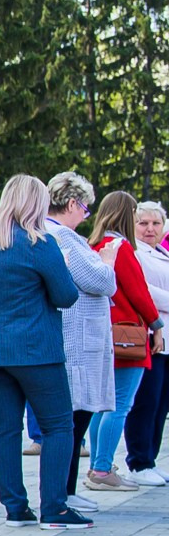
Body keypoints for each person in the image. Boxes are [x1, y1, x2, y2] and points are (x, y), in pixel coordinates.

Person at [0, 174, 87, 528]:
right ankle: (55, 509)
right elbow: (66, 296)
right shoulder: (40, 243)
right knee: (59, 425)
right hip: (36, 351)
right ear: (36, 203)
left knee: (5, 429)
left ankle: (15, 508)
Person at [82, 191, 164, 492]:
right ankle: (102, 469)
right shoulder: (121, 247)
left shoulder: (95, 244)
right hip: (128, 336)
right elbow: (138, 292)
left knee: (101, 405)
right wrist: (156, 324)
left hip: (105, 333)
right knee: (120, 405)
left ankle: (97, 466)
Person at [44, 174, 119, 497]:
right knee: (74, 421)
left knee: (75, 422)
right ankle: (64, 493)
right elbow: (101, 282)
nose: (86, 216)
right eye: (85, 209)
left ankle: (66, 492)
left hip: (78, 340)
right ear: (72, 203)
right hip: (77, 344)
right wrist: (107, 261)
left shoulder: (60, 235)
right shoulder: (64, 237)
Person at [124, 201, 169, 486]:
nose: (150, 229)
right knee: (145, 401)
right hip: (148, 338)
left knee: (161, 403)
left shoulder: (162, 251)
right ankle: (138, 462)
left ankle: (150, 458)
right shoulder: (134, 252)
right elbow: (142, 290)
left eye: (155, 223)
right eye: (143, 223)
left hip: (166, 340)